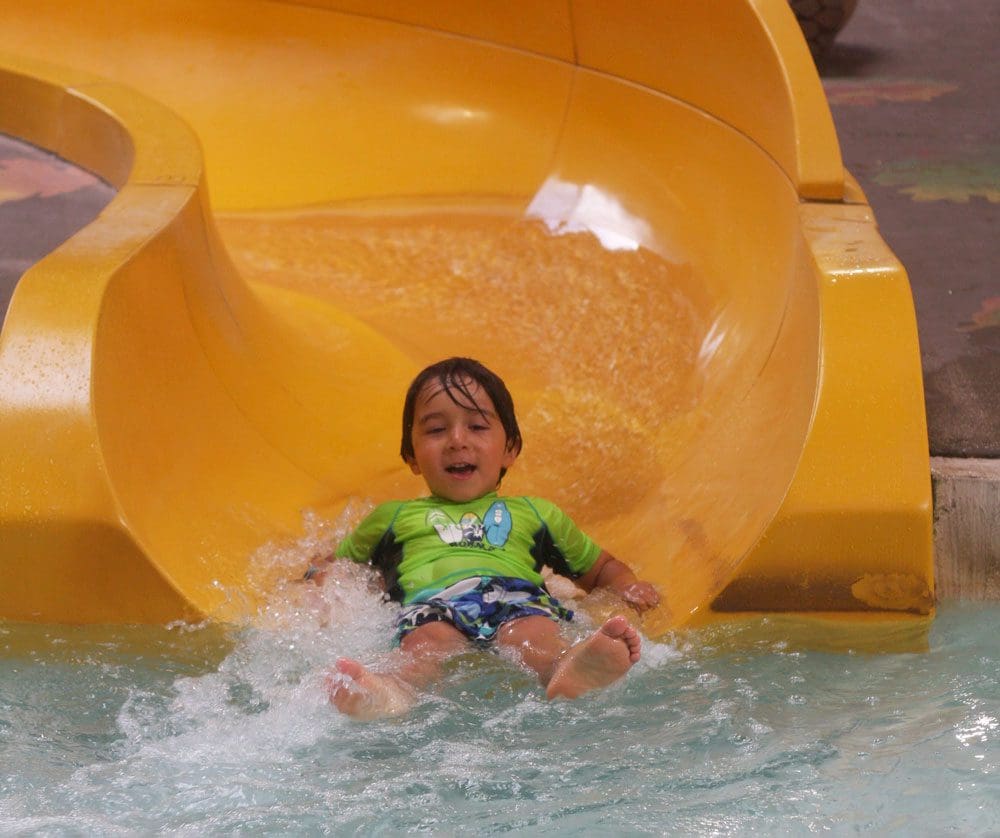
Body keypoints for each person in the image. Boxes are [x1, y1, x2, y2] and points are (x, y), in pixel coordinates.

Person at [308, 357, 660, 719]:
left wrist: (626, 585)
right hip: (434, 607)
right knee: (425, 647)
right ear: (411, 455)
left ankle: (567, 667)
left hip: (516, 599)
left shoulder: (535, 513)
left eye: (477, 426)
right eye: (435, 430)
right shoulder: (392, 517)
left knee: (533, 636)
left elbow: (600, 568)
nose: (457, 441)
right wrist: (315, 578)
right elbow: (340, 568)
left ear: (510, 448)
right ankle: (388, 691)